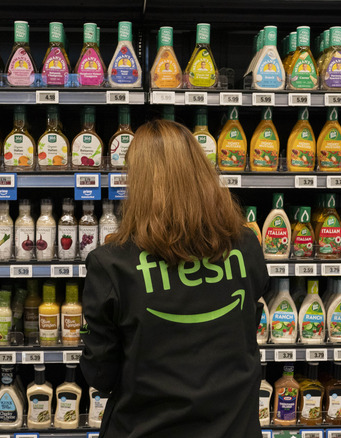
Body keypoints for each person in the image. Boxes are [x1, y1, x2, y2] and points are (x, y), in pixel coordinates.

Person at [80, 119, 269, 437]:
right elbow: (246, 331)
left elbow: (101, 373)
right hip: (234, 427)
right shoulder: (246, 246)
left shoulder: (112, 264)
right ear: (202, 172)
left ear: (137, 184)